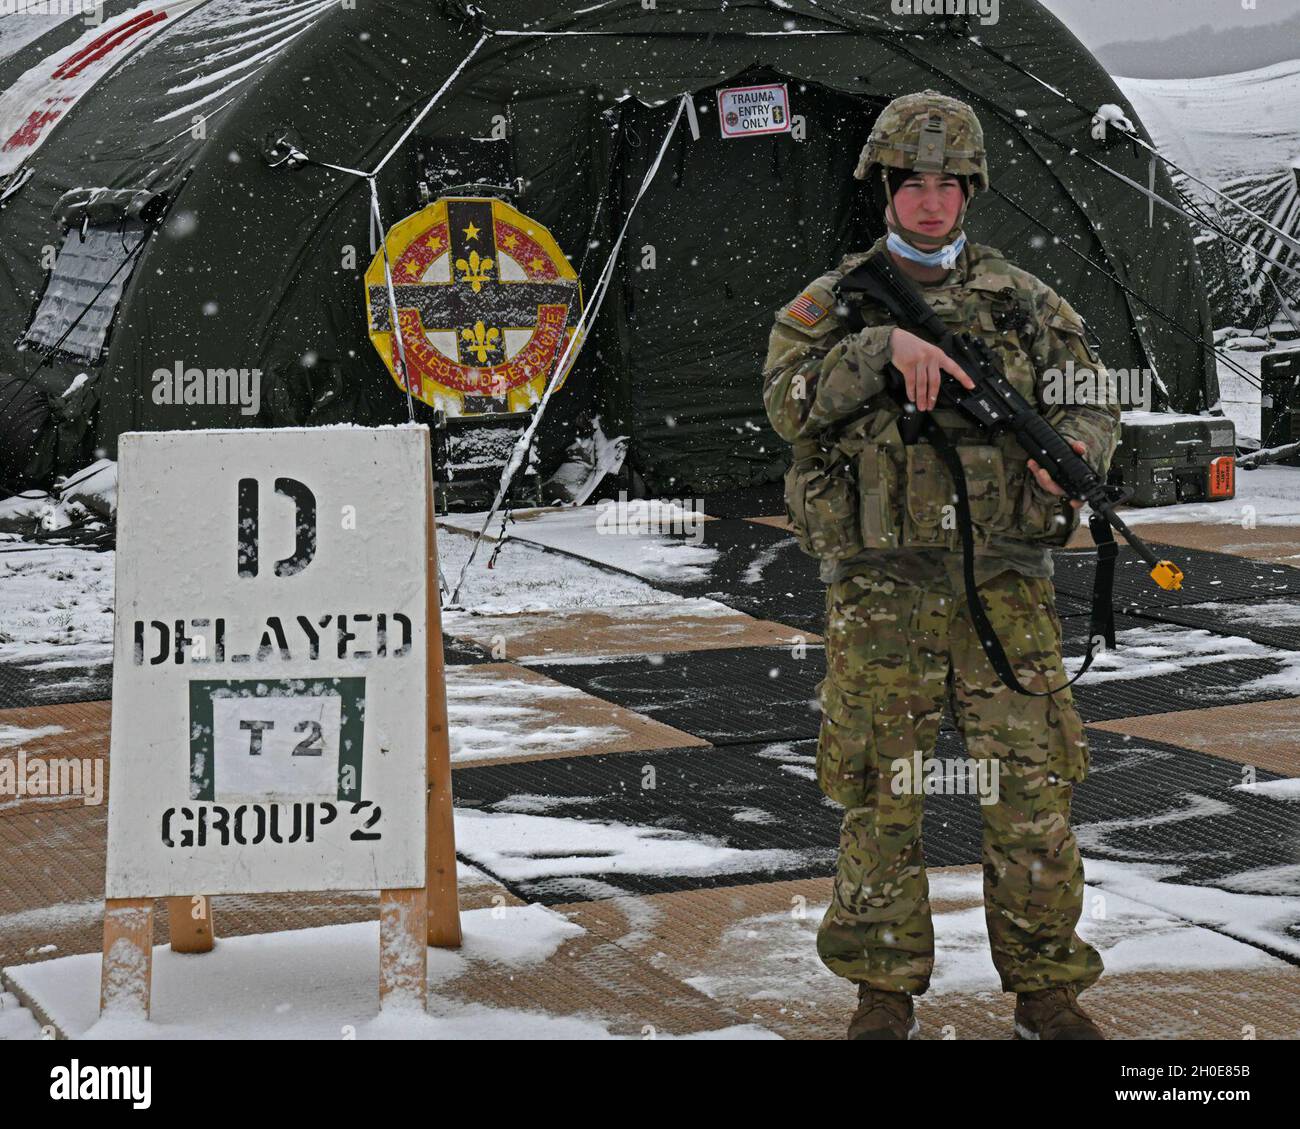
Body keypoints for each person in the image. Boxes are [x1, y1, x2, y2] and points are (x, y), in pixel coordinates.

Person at [761, 90, 1121, 1040]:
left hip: (1004, 589)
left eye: (947, 185)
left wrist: (1069, 449)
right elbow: (788, 405)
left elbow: (1092, 398)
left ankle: (1047, 988)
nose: (929, 201)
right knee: (884, 791)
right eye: (912, 183)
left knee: (1033, 789)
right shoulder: (834, 304)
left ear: (971, 193)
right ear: (885, 188)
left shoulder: (1027, 303)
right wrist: (880, 347)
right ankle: (883, 994)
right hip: (882, 594)